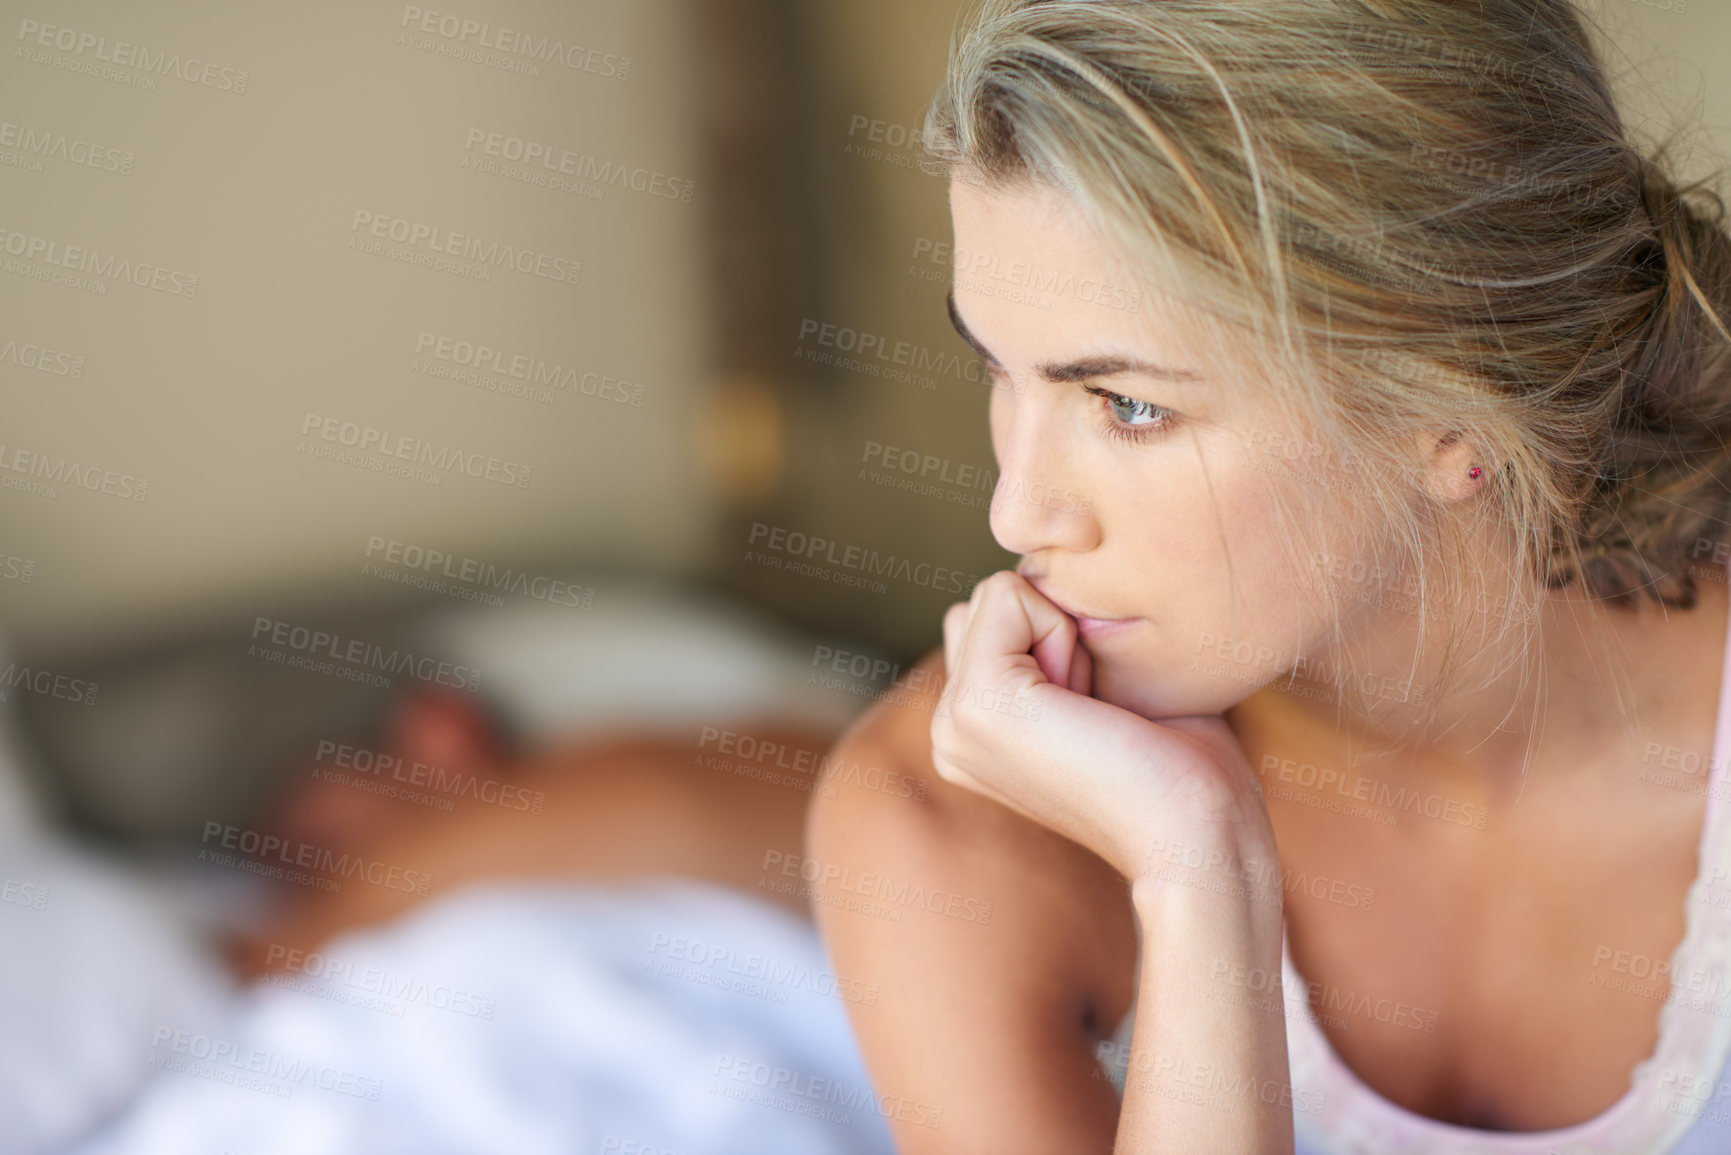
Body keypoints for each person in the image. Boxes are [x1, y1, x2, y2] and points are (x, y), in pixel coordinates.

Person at [806, 1, 1731, 1152]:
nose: (1016, 511)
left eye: (1130, 405)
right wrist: (1201, 875)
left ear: (1452, 411)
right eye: (999, 370)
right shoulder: (944, 820)